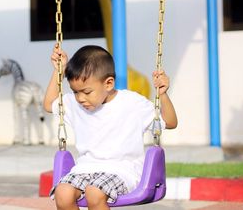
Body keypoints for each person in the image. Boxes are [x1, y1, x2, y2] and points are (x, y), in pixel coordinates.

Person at [44, 44, 178, 210]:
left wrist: (163, 94)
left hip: (122, 170)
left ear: (108, 84)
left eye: (86, 92)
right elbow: (49, 104)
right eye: (75, 91)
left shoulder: (132, 103)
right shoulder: (75, 103)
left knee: (94, 193)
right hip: (84, 169)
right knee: (62, 193)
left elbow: (170, 122)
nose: (79, 98)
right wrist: (59, 70)